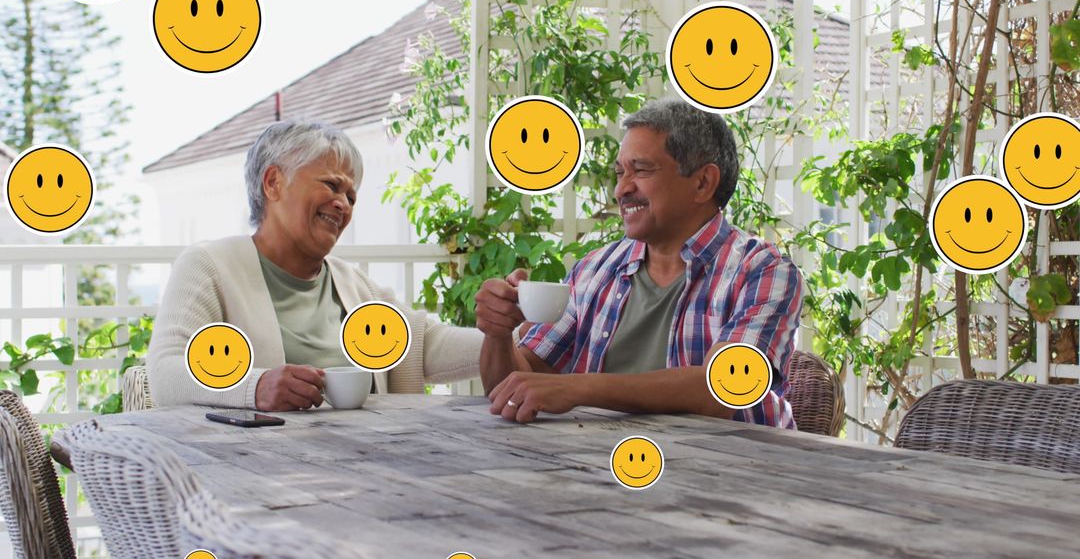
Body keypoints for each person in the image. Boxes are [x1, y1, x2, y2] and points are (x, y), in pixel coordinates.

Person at [474, 97, 803, 427]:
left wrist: (577, 387)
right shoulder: (594, 270)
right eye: (619, 173)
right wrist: (498, 334)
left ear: (702, 183)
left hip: (740, 470)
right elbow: (516, 385)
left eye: (641, 170)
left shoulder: (763, 271)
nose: (621, 189)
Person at [148, 121, 483, 410]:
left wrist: (520, 336)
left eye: (351, 197)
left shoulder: (354, 286)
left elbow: (428, 345)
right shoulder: (209, 267)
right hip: (260, 471)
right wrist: (255, 387)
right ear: (273, 183)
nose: (343, 205)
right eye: (331, 185)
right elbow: (165, 373)